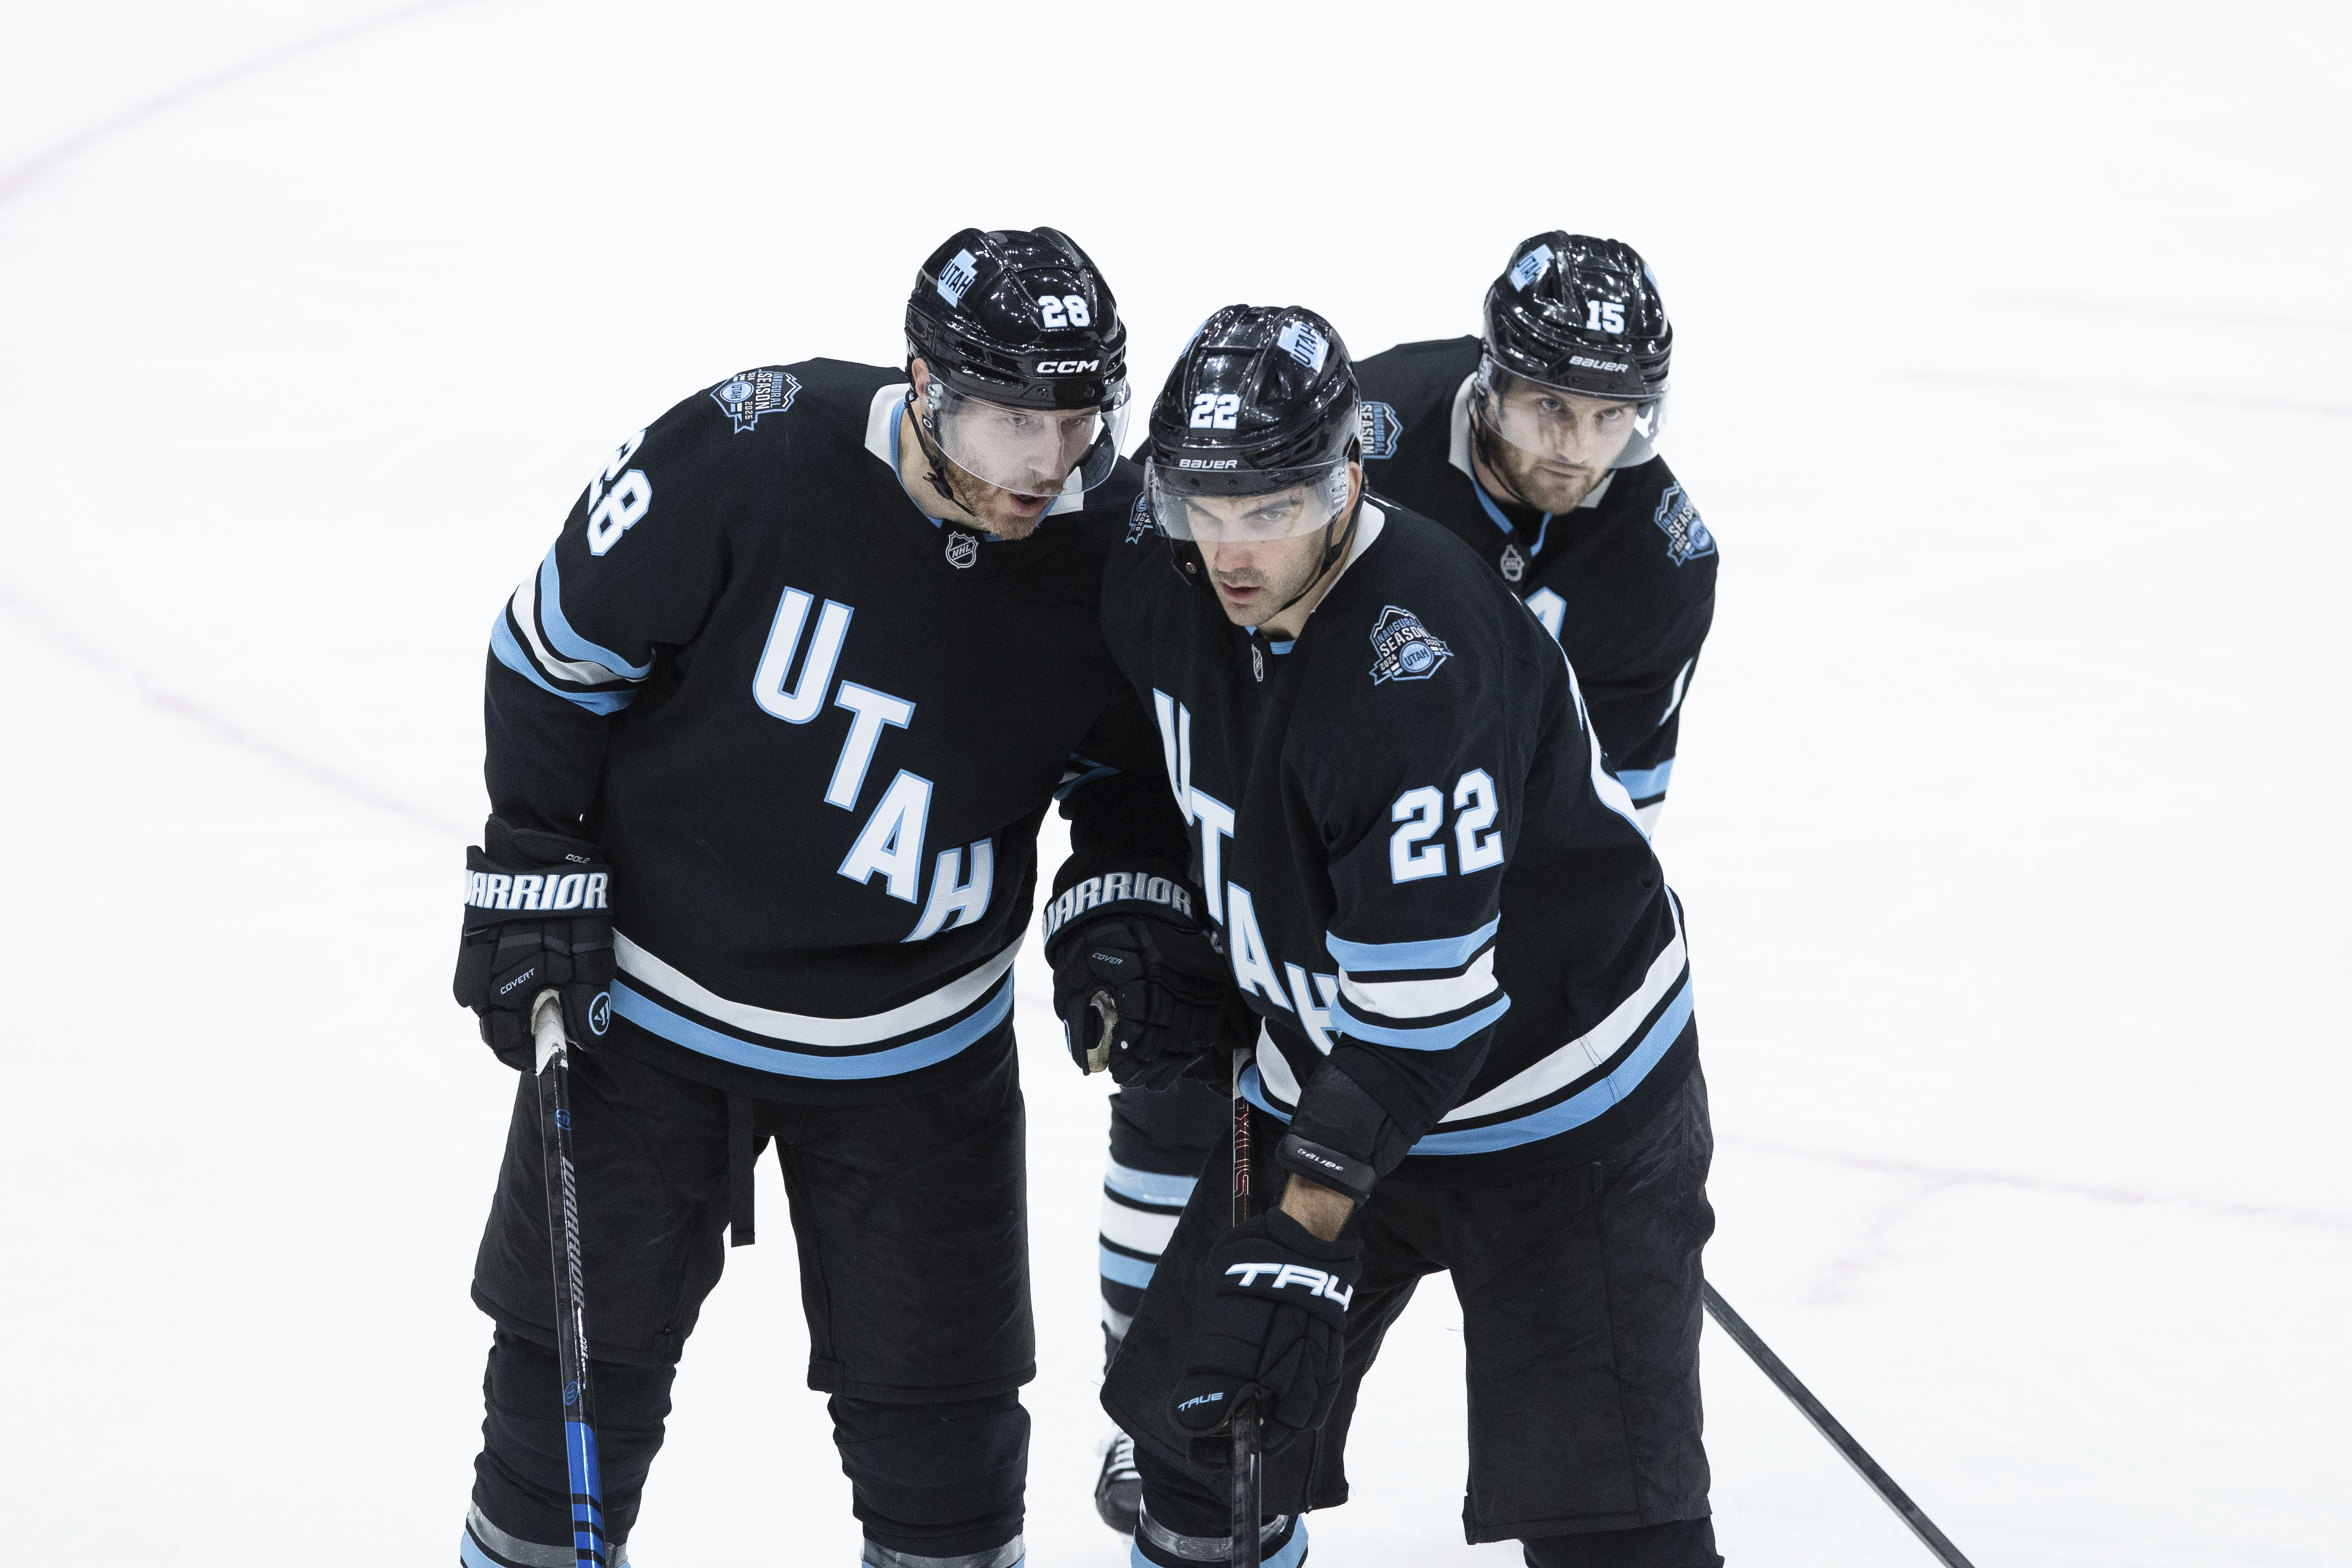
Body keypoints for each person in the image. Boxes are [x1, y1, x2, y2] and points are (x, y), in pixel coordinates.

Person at [448, 227, 1213, 1568]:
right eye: (1004, 423)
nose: (1043, 462)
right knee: (560, 1424)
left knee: (952, 1475)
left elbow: (1128, 772)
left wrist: (1124, 907)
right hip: (650, 1018)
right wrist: (532, 856)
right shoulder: (747, 451)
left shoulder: (1114, 550)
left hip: (921, 1055)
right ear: (922, 382)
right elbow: (549, 656)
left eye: (1074, 421)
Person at [1078, 231, 1717, 1538]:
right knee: (1194, 1468)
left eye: (1274, 508)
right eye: (1209, 507)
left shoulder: (1422, 657)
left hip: (1556, 1097)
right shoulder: (1160, 558)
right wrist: (1135, 899)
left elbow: (1423, 1012)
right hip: (1329, 1053)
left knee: (1610, 1523)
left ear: (1346, 478)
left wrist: (1301, 1232)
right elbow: (1120, 736)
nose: (1236, 546)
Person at [1355, 231, 1714, 836]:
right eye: (1551, 406)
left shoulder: (1663, 562)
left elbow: (1599, 823)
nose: (1577, 449)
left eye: (1610, 416)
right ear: (1492, 383)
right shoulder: (1361, 439)